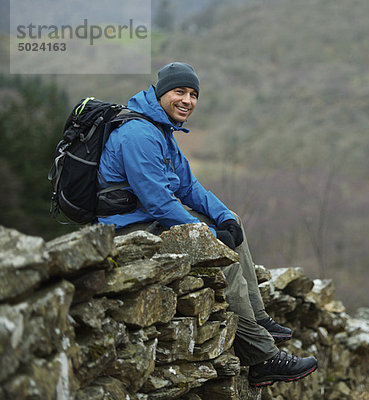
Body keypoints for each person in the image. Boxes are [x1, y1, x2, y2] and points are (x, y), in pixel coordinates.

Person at [97, 62, 318, 387]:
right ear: (161, 94)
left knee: (234, 224)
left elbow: (188, 187)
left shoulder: (161, 130)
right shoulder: (138, 135)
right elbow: (159, 201)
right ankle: (263, 358)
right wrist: (211, 237)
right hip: (131, 232)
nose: (187, 100)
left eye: (193, 94)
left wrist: (224, 216)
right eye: (179, 92)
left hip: (152, 222)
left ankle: (257, 318)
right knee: (220, 261)